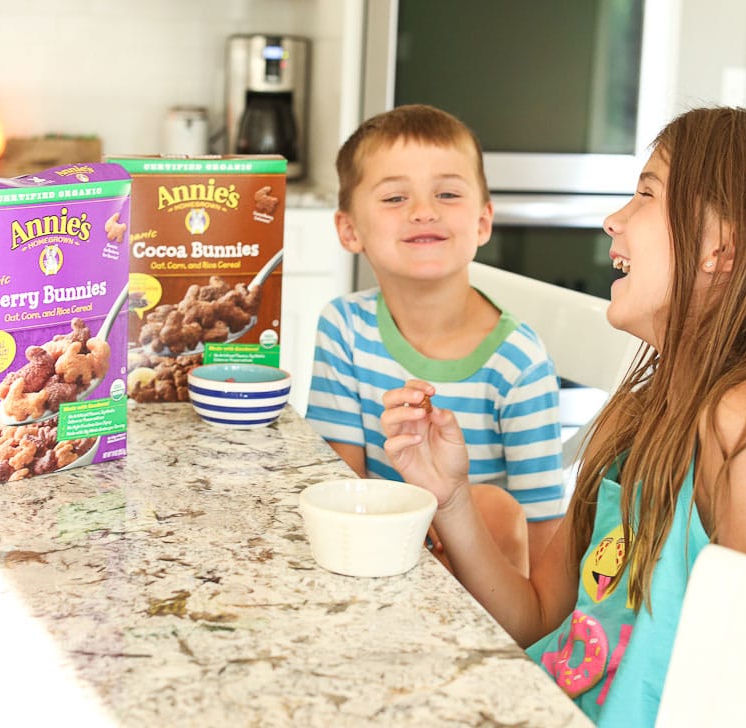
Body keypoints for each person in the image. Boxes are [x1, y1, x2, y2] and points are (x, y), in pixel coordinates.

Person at [381, 105, 746, 726]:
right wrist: (450, 497)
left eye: (646, 194)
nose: (614, 220)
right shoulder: (635, 417)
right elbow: (535, 620)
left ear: (723, 248)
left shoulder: (735, 433)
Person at [305, 103, 565, 573]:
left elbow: (542, 534)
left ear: (483, 222)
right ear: (349, 229)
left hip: (482, 590)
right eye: (394, 198)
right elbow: (339, 481)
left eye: (447, 194)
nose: (424, 212)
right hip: (374, 562)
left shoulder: (518, 363)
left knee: (490, 504)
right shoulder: (344, 327)